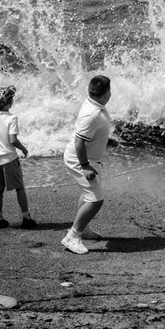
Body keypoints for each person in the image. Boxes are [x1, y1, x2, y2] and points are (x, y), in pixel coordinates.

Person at [62, 74, 118, 254]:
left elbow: (91, 134)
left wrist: (106, 141)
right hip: (80, 160)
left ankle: (82, 229)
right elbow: (79, 142)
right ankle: (72, 236)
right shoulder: (92, 114)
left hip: (88, 158)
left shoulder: (95, 106)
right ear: (106, 94)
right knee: (96, 199)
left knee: (89, 194)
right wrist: (85, 166)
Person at [0, 84, 36, 229]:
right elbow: (13, 140)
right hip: (9, 158)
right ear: (10, 102)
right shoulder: (12, 118)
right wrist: (23, 149)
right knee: (19, 188)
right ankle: (26, 218)